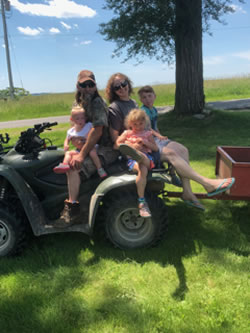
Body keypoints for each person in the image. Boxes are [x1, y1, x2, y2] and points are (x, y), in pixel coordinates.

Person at [107, 74, 235, 210]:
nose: (121, 88)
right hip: (138, 148)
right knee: (172, 154)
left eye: (124, 83)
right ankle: (207, 183)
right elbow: (115, 139)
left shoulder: (133, 103)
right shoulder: (115, 108)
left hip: (149, 138)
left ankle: (187, 191)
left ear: (128, 83)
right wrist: (133, 144)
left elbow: (146, 126)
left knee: (183, 150)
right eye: (117, 86)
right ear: (113, 90)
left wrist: (157, 135)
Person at [55, 70, 118, 227]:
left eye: (91, 84)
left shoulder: (97, 102)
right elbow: (75, 125)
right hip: (86, 146)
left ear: (95, 86)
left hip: (105, 148)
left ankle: (73, 210)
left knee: (73, 167)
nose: (88, 88)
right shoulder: (78, 103)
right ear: (78, 86)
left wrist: (82, 155)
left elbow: (98, 130)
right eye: (84, 85)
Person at [116, 109, 158, 218]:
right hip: (133, 161)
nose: (138, 127)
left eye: (141, 124)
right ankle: (141, 201)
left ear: (145, 122)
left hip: (148, 159)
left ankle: (139, 155)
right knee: (142, 169)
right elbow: (117, 144)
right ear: (130, 124)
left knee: (143, 160)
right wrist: (131, 145)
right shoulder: (127, 133)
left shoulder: (147, 134)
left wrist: (145, 142)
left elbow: (155, 148)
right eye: (135, 124)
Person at [53, 104, 107, 178]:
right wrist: (66, 144)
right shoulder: (71, 131)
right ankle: (64, 164)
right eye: (77, 119)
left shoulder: (88, 125)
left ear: (85, 118)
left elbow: (95, 131)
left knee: (92, 153)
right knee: (69, 153)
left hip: (90, 147)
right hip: (79, 150)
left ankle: (100, 169)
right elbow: (67, 139)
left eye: (82, 118)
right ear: (72, 119)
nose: (80, 121)